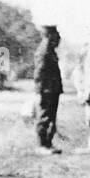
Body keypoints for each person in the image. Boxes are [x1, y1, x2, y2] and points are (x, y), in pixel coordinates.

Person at [33, 25, 63, 154]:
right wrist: (40, 90)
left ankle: (47, 144)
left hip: (50, 89)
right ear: (50, 35)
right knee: (44, 116)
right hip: (46, 90)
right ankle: (42, 145)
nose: (59, 38)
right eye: (57, 35)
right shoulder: (44, 50)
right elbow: (39, 72)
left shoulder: (48, 49)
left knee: (49, 117)